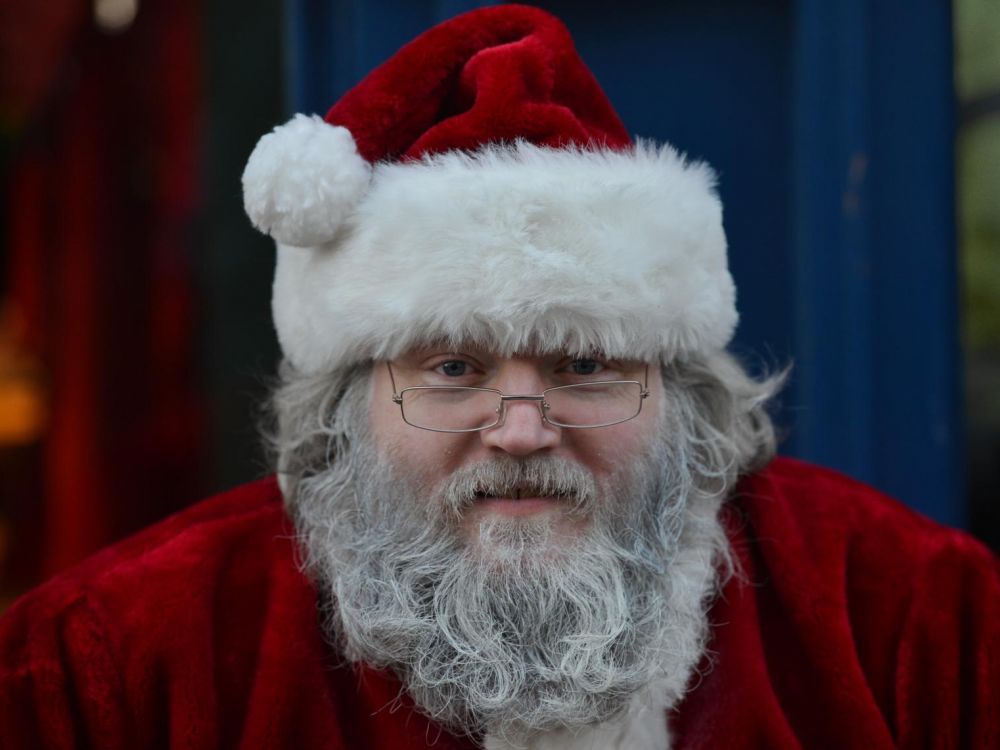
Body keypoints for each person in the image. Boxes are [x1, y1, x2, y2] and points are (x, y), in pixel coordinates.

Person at [0, 5, 996, 749]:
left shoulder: (916, 623)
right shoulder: (120, 668)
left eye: (587, 364)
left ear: (687, 402)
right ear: (341, 408)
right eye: (452, 367)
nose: (520, 429)